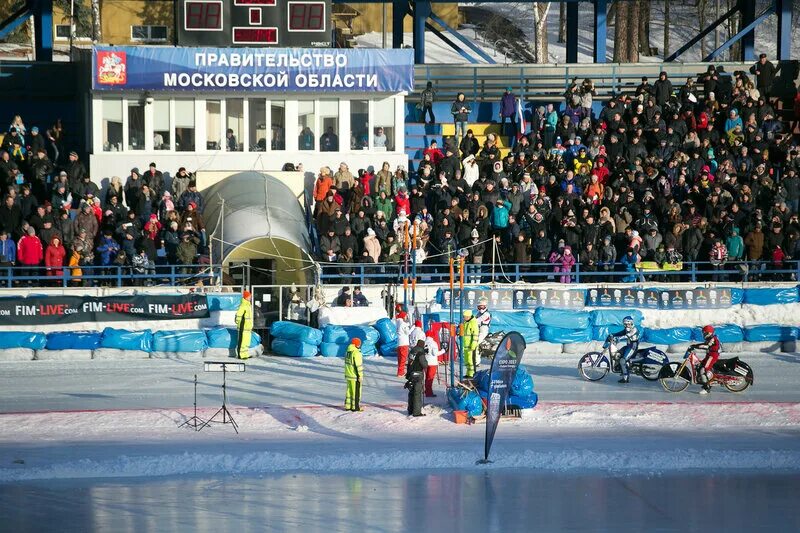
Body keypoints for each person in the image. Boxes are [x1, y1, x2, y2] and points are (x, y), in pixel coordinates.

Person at [608, 316, 640, 384]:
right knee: (618, 355)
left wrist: (618, 339)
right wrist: (613, 335)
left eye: (627, 324)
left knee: (623, 360)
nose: (625, 325)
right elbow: (621, 333)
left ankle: (625, 378)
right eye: (625, 324)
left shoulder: (634, 329)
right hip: (628, 346)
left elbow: (627, 335)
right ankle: (623, 369)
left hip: (633, 347)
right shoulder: (627, 329)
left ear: (630, 323)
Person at [692, 325, 721, 394]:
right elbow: (704, 344)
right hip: (709, 355)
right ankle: (704, 380)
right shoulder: (710, 338)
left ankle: (706, 388)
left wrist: (695, 346)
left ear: (709, 333)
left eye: (704, 333)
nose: (703, 334)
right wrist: (695, 346)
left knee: (704, 369)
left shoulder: (712, 339)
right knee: (700, 366)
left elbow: (706, 346)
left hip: (712, 356)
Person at [405, 339, 428, 417]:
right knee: (417, 393)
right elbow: (424, 364)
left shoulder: (412, 351)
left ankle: (410, 410)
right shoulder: (420, 353)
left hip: (410, 373)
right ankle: (417, 412)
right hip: (418, 373)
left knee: (411, 393)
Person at [344, 337, 364, 411]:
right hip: (354, 376)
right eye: (359, 344)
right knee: (356, 392)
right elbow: (358, 366)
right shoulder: (356, 353)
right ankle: (355, 407)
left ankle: (348, 406)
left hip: (348, 374)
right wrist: (360, 376)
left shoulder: (348, 352)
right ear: (357, 344)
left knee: (349, 391)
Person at [424, 330, 443, 397]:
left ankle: (426, 390)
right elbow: (435, 353)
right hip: (432, 363)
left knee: (427, 377)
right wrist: (442, 351)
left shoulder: (424, 342)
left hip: (425, 362)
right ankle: (429, 392)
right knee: (430, 378)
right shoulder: (433, 343)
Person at [235, 290, 253, 360]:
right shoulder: (243, 305)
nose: (250, 297)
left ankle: (245, 354)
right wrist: (238, 322)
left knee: (246, 341)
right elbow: (238, 315)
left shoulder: (248, 305)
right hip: (243, 327)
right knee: (242, 341)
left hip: (248, 327)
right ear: (246, 297)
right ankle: (241, 355)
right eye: (249, 296)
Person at [461, 309, 479, 379]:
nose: (464, 318)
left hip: (471, 346)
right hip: (466, 345)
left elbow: (475, 335)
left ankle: (472, 374)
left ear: (468, 316)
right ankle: (468, 373)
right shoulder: (466, 322)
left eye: (465, 316)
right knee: (467, 360)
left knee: (471, 360)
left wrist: (473, 345)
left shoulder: (473, 323)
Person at [395, 311, 411, 377]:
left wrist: (408, 324)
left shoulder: (398, 322)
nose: (406, 317)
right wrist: (412, 327)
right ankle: (400, 372)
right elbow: (408, 332)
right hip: (404, 343)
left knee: (400, 358)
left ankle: (400, 371)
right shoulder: (402, 324)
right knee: (403, 359)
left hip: (399, 343)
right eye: (405, 316)